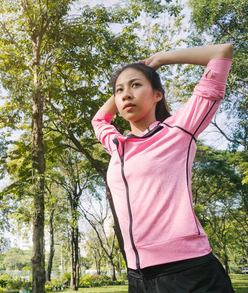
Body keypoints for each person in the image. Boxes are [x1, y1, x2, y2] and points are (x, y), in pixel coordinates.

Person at [92, 43, 234, 292]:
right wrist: (129, 80)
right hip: (138, 277)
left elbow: (221, 52)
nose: (126, 95)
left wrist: (158, 62)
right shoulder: (117, 145)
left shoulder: (179, 129)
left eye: (136, 85)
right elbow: (99, 119)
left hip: (189, 272)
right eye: (119, 91)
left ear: (158, 94)